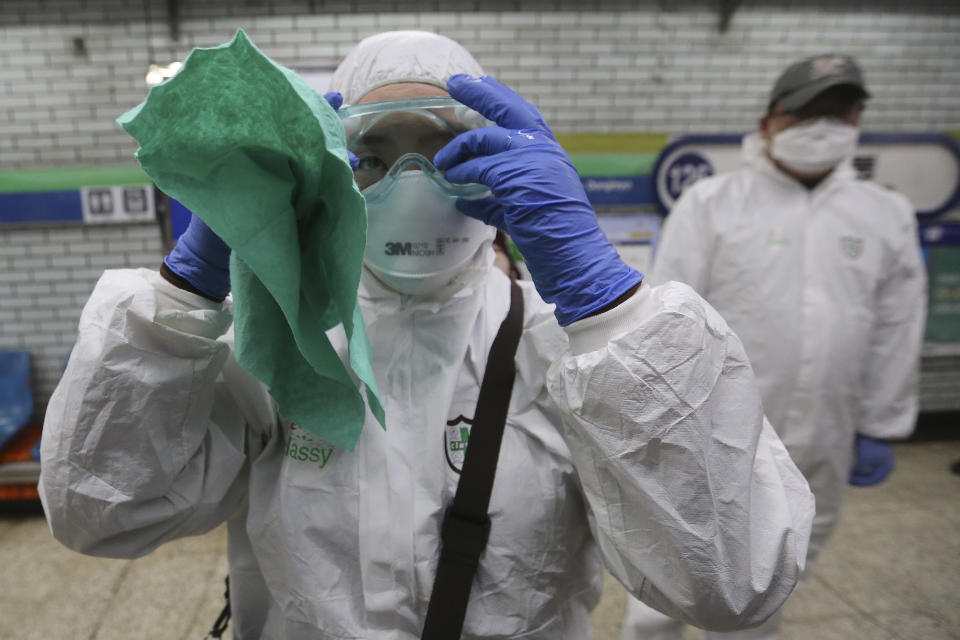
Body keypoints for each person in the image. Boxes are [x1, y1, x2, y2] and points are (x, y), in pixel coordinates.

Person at [40, 31, 814, 639]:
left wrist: (609, 308)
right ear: (325, 169)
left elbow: (731, 583)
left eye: (444, 152)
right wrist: (183, 295)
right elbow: (100, 512)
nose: (410, 182)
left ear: (504, 162)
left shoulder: (577, 352)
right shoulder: (279, 344)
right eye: (370, 157)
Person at [623, 54, 927, 640]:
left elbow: (895, 324)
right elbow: (667, 321)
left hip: (823, 430)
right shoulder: (713, 203)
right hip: (710, 435)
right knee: (672, 572)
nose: (823, 125)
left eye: (839, 111)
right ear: (769, 122)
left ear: (859, 119)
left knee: (776, 575)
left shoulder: (883, 213)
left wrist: (881, 423)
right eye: (806, 112)